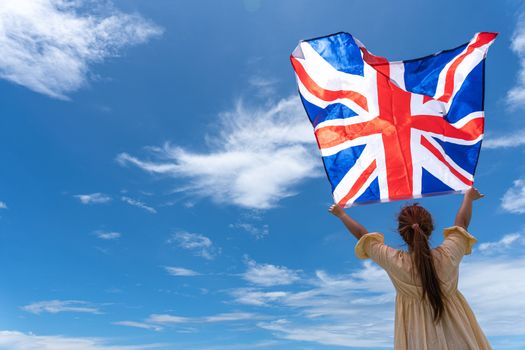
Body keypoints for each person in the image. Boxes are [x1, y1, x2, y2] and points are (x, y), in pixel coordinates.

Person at [329, 187, 491, 350]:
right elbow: (461, 224)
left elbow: (362, 236)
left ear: (401, 232)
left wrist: (341, 214)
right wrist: (468, 198)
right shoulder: (448, 255)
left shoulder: (394, 261)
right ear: (430, 228)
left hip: (417, 341)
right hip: (462, 338)